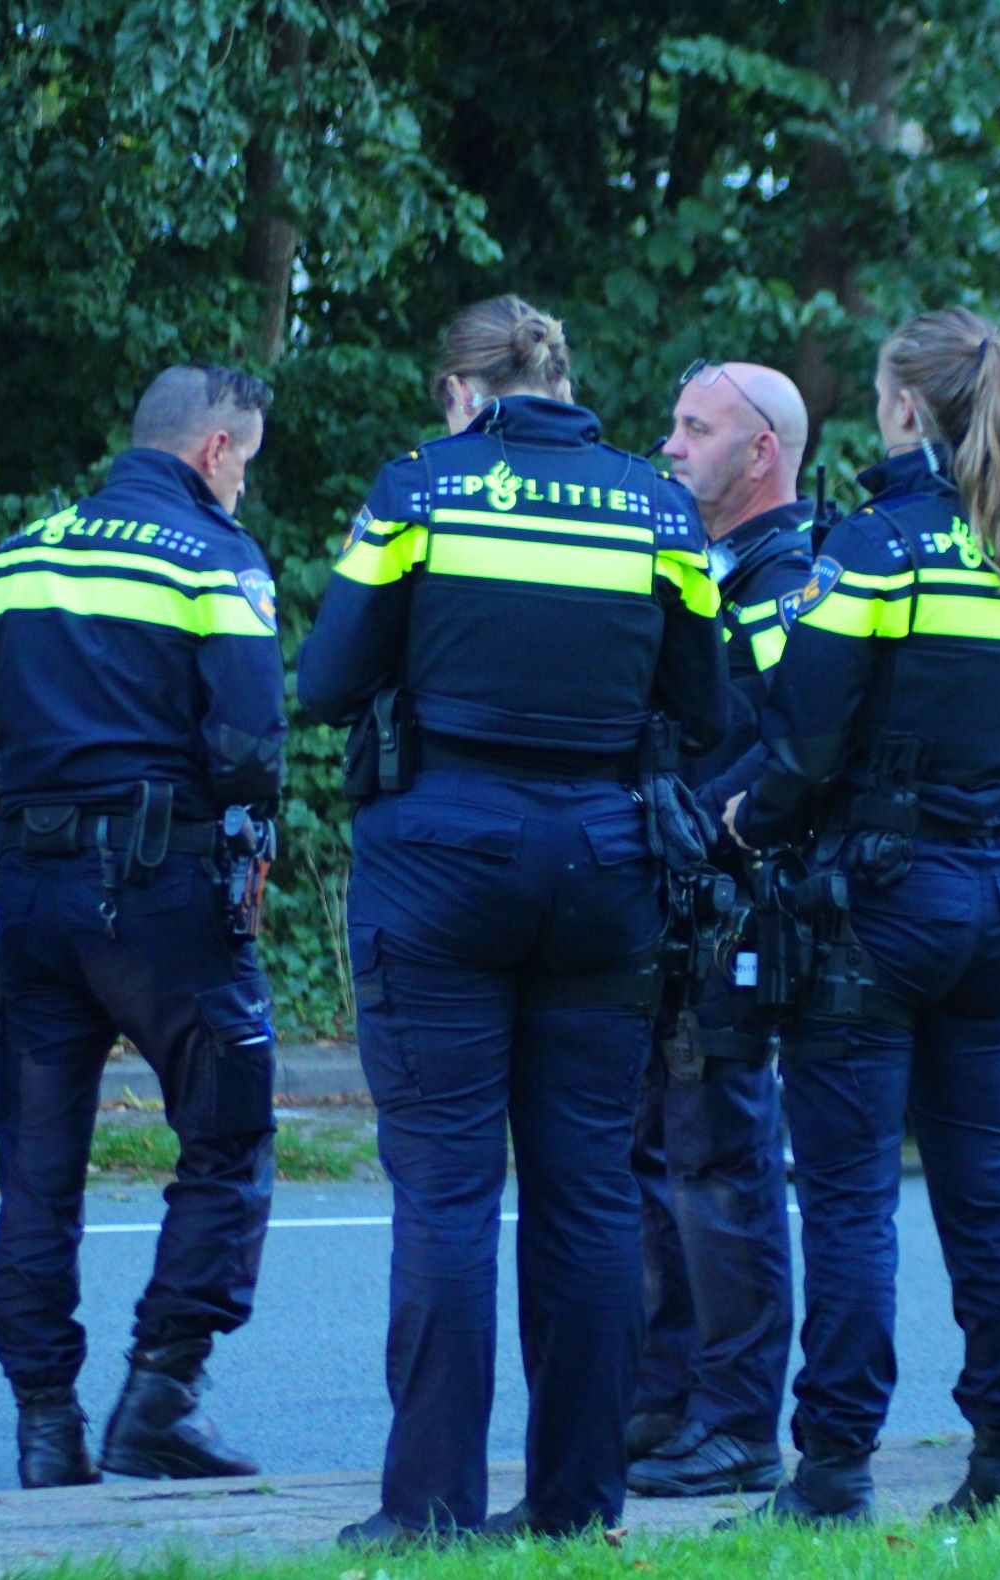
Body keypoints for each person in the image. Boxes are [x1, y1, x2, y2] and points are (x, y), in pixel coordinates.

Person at [298, 296, 727, 1550]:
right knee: (590, 1189)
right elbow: (700, 704)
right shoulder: (660, 507)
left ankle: (426, 1506)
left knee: (443, 1190)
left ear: (461, 392)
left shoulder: (419, 490)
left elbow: (327, 681)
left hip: (440, 856)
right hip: (605, 862)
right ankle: (576, 1504)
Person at [723, 307, 1000, 1524]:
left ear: (903, 410)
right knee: (985, 1184)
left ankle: (833, 1468)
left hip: (877, 904)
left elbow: (804, 728)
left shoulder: (881, 548)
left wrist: (746, 822)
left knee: (846, 1194)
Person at [0, 365, 285, 1492]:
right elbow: (247, 743)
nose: (245, 486)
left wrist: (9, 852)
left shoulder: (18, 555)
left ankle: (47, 1424)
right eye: (248, 462)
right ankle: (161, 1394)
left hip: (32, 897)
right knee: (228, 1134)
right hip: (164, 892)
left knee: (38, 1170)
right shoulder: (217, 556)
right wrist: (243, 865)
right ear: (216, 454)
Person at [627, 361, 813, 1498]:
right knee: (659, 1155)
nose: (671, 443)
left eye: (697, 428)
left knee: (723, 1162)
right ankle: (668, 1395)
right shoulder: (705, 563)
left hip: (733, 907)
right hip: (670, 903)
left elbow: (792, 743)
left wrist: (693, 831)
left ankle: (740, 1418)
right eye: (674, 420)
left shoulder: (792, 578)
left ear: (761, 452)